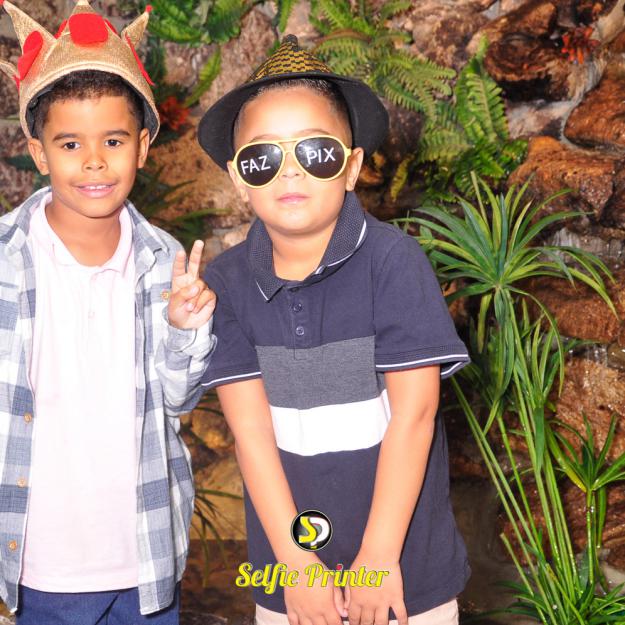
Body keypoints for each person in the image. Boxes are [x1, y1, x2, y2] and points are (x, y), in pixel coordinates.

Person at [197, 35, 470, 625]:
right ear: (239, 178)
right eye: (264, 158)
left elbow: (415, 415)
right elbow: (251, 432)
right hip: (289, 576)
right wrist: (297, 567)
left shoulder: (393, 263)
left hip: (405, 573)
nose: (290, 171)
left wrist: (378, 559)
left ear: (350, 167)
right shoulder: (227, 282)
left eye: (315, 151)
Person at [0, 1, 216, 623]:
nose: (94, 160)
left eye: (113, 141)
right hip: (38, 564)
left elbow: (178, 400)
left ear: (142, 147)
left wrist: (185, 330)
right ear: (39, 152)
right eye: (70, 143)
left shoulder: (165, 260)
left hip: (143, 560)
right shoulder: (6, 258)